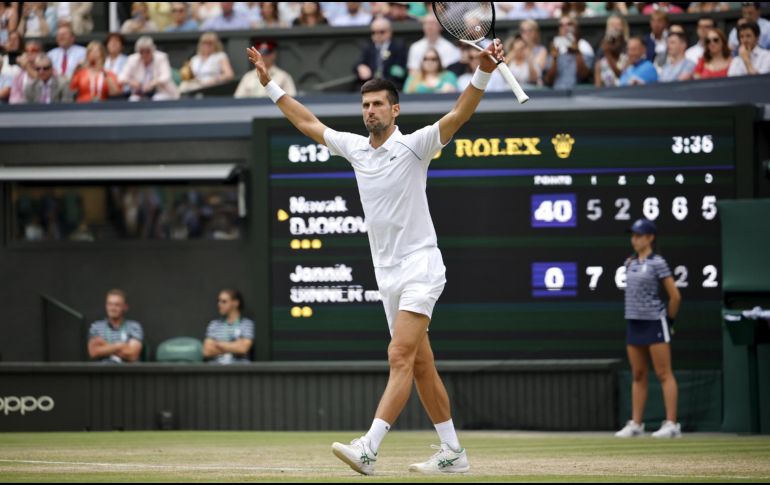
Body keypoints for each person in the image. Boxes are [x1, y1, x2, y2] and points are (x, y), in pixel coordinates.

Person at [246, 32, 509, 479]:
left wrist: (484, 68)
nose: (370, 111)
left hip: (421, 265)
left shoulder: (417, 145)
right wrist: (270, 85)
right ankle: (453, 452)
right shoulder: (354, 149)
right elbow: (307, 123)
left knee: (399, 356)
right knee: (422, 365)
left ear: (395, 109)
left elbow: (460, 113)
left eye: (378, 105)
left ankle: (369, 447)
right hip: (386, 274)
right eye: (366, 105)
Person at [615, 219, 682, 439]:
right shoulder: (629, 263)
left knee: (663, 373)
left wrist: (668, 321)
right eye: (633, 235)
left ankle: (672, 424)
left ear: (650, 237)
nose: (634, 239)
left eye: (639, 235)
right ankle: (636, 424)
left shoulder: (658, 263)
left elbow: (675, 296)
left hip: (655, 322)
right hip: (634, 322)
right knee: (638, 374)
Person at [87, 290, 145, 364]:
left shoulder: (134, 326)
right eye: (109, 304)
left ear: (125, 307)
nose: (112, 308)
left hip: (127, 372)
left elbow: (133, 355)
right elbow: (93, 352)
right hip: (102, 372)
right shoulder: (96, 327)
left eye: (117, 305)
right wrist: (120, 346)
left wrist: (104, 345)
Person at [119, 35, 179, 102]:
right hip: (140, 93)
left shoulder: (161, 57)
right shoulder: (133, 59)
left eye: (147, 51)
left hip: (162, 92)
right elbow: (121, 77)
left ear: (152, 50)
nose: (145, 54)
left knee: (157, 99)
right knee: (133, 99)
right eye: (142, 52)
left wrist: (152, 84)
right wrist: (133, 82)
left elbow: (166, 76)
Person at [355, 16, 408, 90]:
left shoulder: (398, 47)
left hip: (391, 86)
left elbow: (401, 70)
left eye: (381, 32)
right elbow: (357, 65)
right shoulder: (369, 47)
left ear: (389, 32)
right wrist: (360, 67)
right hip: (370, 85)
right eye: (374, 32)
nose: (377, 35)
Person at [203, 289, 255, 364]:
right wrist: (234, 345)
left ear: (235, 303)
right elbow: (207, 351)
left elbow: (243, 348)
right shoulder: (214, 324)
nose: (219, 304)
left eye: (224, 301)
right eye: (218, 301)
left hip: (239, 371)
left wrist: (218, 344)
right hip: (216, 370)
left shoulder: (247, 324)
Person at [543, 16, 594, 90]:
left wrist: (576, 52)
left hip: (579, 92)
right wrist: (554, 59)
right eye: (561, 25)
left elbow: (584, 75)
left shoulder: (584, 46)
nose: (565, 27)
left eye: (569, 24)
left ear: (576, 27)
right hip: (558, 92)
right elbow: (549, 80)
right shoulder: (555, 46)